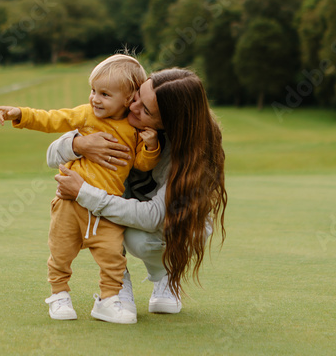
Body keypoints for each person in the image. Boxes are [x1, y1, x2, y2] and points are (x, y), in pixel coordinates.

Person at [0, 54, 161, 324]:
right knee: (61, 253)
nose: (95, 98)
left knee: (113, 258)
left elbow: (140, 163)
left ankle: (108, 300)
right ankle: (59, 295)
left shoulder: (133, 129)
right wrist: (21, 114)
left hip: (105, 208)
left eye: (105, 94)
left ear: (129, 99)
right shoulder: (86, 114)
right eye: (93, 90)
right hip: (70, 204)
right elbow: (52, 120)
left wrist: (151, 147)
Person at [47, 68, 226, 317]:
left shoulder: (196, 153)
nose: (133, 108)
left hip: (171, 223)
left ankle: (166, 274)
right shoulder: (116, 113)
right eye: (137, 98)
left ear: (167, 123)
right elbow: (52, 154)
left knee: (139, 238)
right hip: (124, 205)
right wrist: (80, 145)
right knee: (113, 217)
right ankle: (118, 282)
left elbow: (154, 216)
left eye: (146, 111)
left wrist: (84, 192)